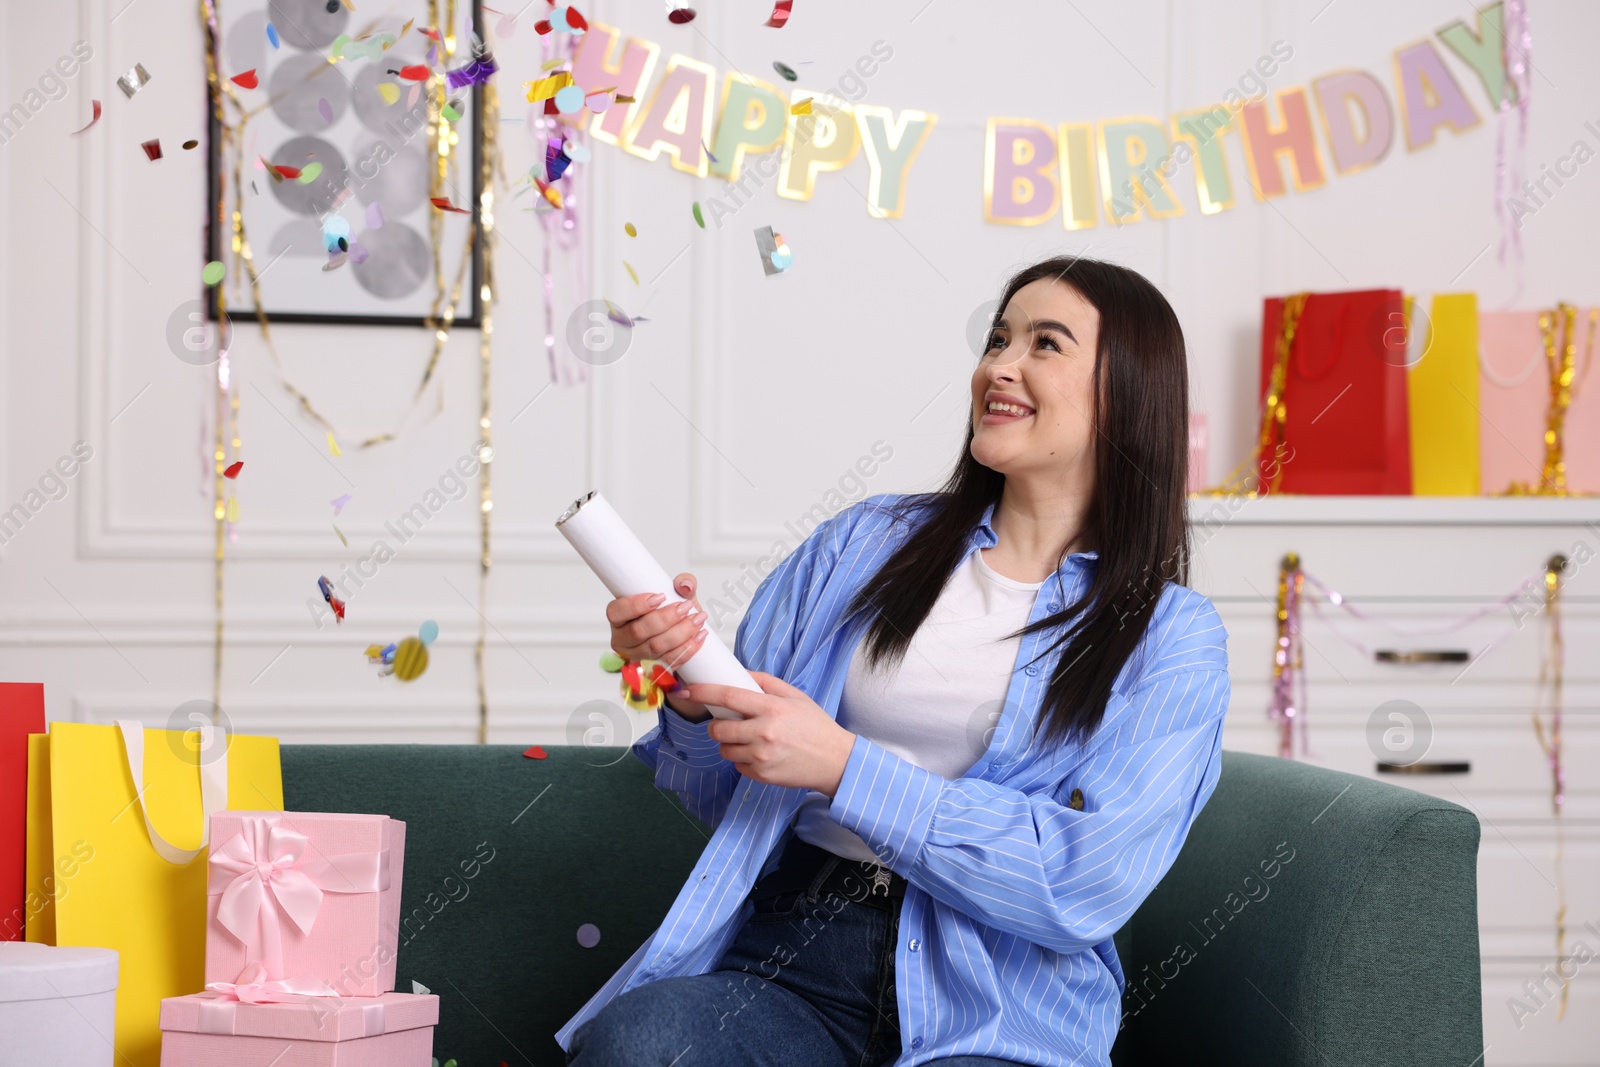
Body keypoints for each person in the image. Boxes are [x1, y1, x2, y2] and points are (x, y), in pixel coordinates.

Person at [557, 255, 1231, 1067]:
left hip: (1001, 998)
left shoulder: (1171, 636)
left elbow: (1085, 879)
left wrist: (844, 765)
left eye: (1044, 344)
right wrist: (697, 700)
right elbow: (719, 797)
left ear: (1128, 395)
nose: (999, 366)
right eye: (998, 337)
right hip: (791, 961)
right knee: (639, 1048)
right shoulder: (863, 543)